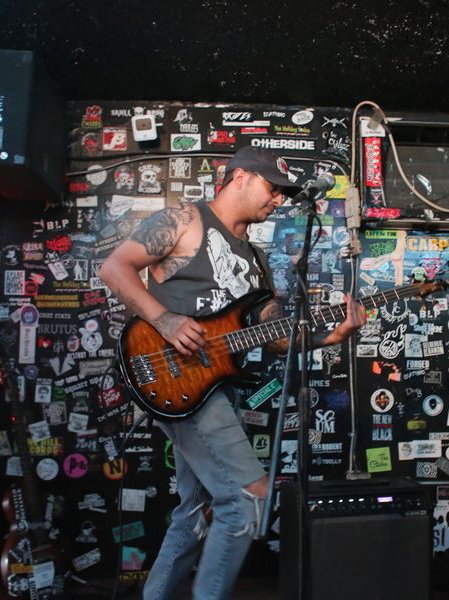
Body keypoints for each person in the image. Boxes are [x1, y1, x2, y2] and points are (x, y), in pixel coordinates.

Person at [99, 146, 365, 600]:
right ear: (239, 176)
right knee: (247, 499)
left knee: (194, 510)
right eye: (272, 188)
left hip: (215, 390)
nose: (278, 200)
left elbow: (274, 337)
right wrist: (164, 319)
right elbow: (113, 267)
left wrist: (329, 337)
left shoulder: (257, 261)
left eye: (283, 194)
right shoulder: (185, 221)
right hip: (173, 376)